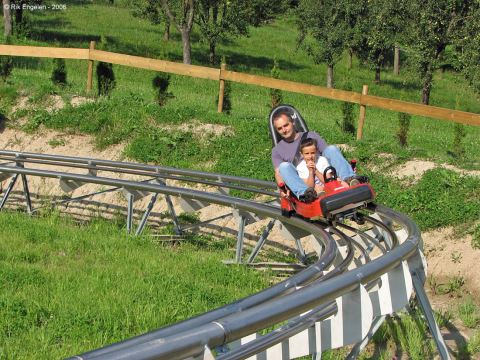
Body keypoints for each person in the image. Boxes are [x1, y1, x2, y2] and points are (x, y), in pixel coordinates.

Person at [271, 111, 366, 203]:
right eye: (280, 128)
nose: (284, 130)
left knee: (331, 149)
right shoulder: (277, 150)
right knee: (283, 166)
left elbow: (329, 153)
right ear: (277, 131)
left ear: (293, 123)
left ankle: (349, 178)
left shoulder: (311, 135)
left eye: (286, 125)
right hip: (303, 179)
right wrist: (282, 188)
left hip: (322, 172)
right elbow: (278, 173)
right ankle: (306, 194)